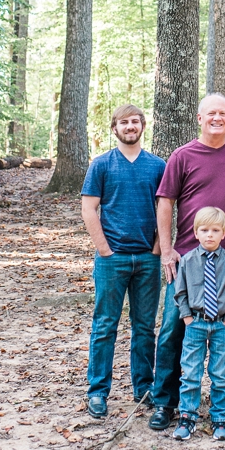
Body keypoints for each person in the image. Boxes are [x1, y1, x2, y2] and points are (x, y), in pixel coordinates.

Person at [149, 93, 225, 430]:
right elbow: (165, 202)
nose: (217, 118)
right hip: (187, 261)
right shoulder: (182, 156)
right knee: (172, 330)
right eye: (211, 113)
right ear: (199, 117)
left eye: (223, 113)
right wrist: (167, 250)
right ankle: (165, 402)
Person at [80, 104, 166, 419]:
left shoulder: (158, 166)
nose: (130, 126)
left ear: (143, 126)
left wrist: (157, 248)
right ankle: (98, 393)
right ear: (114, 128)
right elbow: (89, 210)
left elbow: (165, 209)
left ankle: (144, 390)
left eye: (135, 121)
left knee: (144, 328)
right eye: (124, 122)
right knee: (105, 326)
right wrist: (104, 249)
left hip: (147, 260)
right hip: (111, 260)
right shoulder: (101, 164)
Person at [172, 206, 225, 441]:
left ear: (224, 233)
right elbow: (180, 291)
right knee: (191, 372)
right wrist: (187, 317)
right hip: (195, 323)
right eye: (204, 230)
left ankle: (220, 418)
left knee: (221, 373)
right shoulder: (188, 260)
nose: (210, 235)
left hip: (221, 325)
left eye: (215, 230)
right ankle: (188, 417)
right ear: (196, 233)